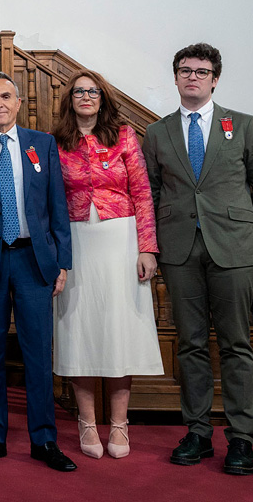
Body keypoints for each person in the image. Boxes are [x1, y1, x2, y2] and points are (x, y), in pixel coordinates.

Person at [142, 43, 253, 476]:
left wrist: (238, 225)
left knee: (237, 344)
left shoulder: (243, 125)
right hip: (180, 249)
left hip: (234, 250)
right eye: (185, 71)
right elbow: (152, 191)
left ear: (215, 78)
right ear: (176, 77)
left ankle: (241, 437)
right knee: (191, 344)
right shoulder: (158, 132)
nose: (193, 77)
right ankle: (198, 432)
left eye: (201, 71)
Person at [0, 72, 76, 472]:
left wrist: (63, 262)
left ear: (19, 102)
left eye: (6, 96)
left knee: (39, 354)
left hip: (35, 262)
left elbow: (58, 206)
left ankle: (44, 439)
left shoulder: (43, 145)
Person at [51, 70, 164, 460]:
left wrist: (147, 247)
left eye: (92, 91)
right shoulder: (57, 142)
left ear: (102, 98)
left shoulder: (124, 136)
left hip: (121, 237)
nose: (85, 96)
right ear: (70, 99)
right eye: (79, 91)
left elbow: (143, 193)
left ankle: (119, 424)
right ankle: (86, 422)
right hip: (76, 240)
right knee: (80, 328)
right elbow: (50, 200)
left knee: (118, 329)